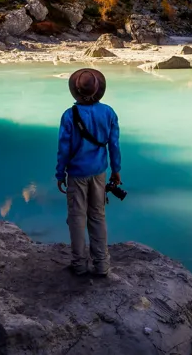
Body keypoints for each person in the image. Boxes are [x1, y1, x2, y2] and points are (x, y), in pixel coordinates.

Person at [56, 67, 122, 277]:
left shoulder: (69, 115)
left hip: (77, 174)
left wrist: (60, 174)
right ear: (98, 89)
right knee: (98, 216)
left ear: (75, 90)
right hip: (99, 172)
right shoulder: (108, 112)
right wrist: (116, 169)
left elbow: (63, 148)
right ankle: (102, 265)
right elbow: (114, 144)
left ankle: (79, 265)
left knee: (77, 218)